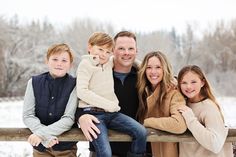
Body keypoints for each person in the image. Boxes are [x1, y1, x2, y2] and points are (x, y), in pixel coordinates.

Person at [76, 31, 152, 157]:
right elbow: (77, 96)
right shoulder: (95, 70)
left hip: (132, 148)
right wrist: (80, 117)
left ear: (136, 51)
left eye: (130, 48)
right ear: (114, 51)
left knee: (140, 131)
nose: (126, 52)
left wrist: (144, 66)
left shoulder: (144, 77)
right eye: (121, 48)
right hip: (101, 149)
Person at [23, 43, 78, 157]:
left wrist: (42, 134)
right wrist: (45, 138)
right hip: (40, 148)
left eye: (64, 60)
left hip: (66, 147)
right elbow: (28, 115)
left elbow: (69, 118)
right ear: (47, 61)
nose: (59, 63)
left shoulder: (75, 85)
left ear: (70, 64)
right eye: (55, 59)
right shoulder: (33, 82)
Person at [137, 51, 187, 157]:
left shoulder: (174, 92)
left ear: (165, 69)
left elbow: (179, 124)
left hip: (164, 151)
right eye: (149, 67)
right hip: (142, 150)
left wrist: (146, 122)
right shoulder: (143, 91)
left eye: (158, 67)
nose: (153, 72)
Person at [177, 65, 233, 157]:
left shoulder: (208, 107)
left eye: (193, 82)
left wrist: (190, 118)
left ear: (202, 82)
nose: (188, 86)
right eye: (183, 82)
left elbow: (215, 144)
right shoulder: (183, 104)